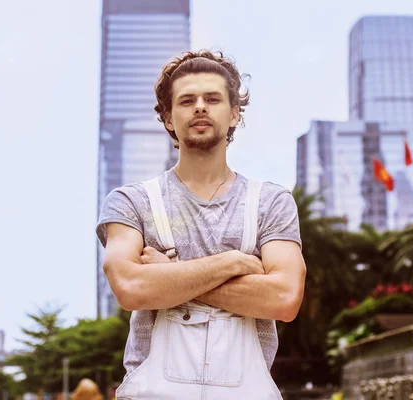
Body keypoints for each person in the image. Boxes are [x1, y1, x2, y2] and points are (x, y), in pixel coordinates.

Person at [96, 50, 306, 399]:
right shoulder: (132, 201)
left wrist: (171, 275)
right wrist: (233, 263)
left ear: (235, 114)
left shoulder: (270, 202)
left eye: (212, 98)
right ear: (167, 117)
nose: (200, 107)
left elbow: (284, 298)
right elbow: (130, 287)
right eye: (186, 100)